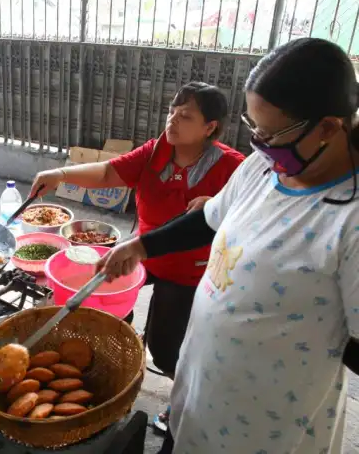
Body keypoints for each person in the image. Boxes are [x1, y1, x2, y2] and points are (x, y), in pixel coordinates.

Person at [96, 38, 359, 453]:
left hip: (267, 418)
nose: (259, 143)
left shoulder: (350, 219)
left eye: (271, 133)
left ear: (327, 127)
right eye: (255, 127)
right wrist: (141, 246)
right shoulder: (263, 165)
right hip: (203, 381)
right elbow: (210, 217)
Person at [30, 82, 245, 431]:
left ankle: (185, 405)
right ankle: (105, 372)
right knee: (98, 296)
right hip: (142, 248)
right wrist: (61, 174)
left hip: (188, 268)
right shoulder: (156, 150)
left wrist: (220, 208)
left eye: (185, 116)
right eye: (171, 112)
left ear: (210, 128)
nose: (172, 121)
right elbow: (108, 172)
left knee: (166, 347)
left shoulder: (234, 168)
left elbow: (256, 214)